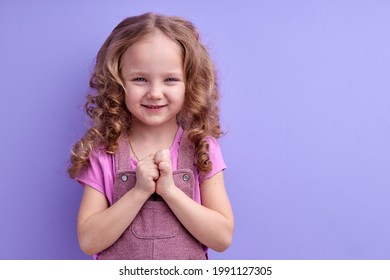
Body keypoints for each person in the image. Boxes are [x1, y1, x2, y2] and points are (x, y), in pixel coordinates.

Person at [68, 12, 234, 260]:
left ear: (189, 83)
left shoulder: (202, 148)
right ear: (118, 82)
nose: (155, 93)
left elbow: (222, 238)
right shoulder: (103, 153)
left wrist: (170, 191)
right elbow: (89, 240)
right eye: (140, 79)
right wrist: (138, 191)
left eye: (170, 79)